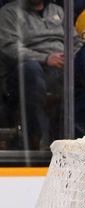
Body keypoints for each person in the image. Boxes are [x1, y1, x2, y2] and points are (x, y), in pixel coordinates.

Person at [0, 0, 73, 150]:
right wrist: (45, 59)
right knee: (31, 70)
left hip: (61, 67)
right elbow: (9, 47)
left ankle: (78, 143)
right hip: (25, 71)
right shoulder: (9, 12)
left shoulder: (58, 10)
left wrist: (71, 58)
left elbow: (76, 40)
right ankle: (36, 138)